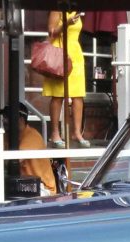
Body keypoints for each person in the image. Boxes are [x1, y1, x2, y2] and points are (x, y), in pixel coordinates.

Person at [42, 11, 88, 149]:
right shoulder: (57, 10)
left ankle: (77, 133)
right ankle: (55, 133)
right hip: (60, 53)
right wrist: (67, 23)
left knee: (78, 95)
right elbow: (52, 32)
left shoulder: (76, 11)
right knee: (58, 95)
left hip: (75, 53)